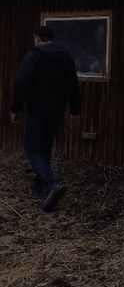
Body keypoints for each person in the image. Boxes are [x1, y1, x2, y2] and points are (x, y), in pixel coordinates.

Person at [10, 25, 80, 211]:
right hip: (56, 112)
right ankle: (39, 187)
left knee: (32, 150)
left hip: (37, 111)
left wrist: (15, 109)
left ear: (37, 38)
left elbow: (22, 82)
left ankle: (51, 184)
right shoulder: (64, 56)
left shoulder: (34, 55)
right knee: (44, 148)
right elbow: (73, 83)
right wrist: (74, 110)